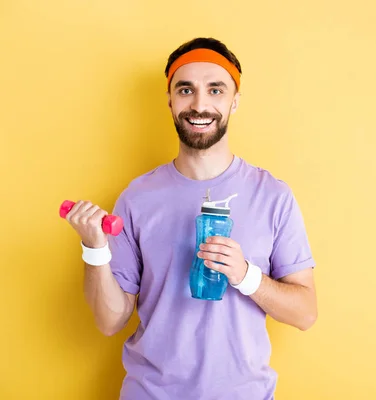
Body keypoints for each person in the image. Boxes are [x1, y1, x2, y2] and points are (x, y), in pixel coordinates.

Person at [64, 37, 317, 399]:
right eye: (186, 90)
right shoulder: (137, 198)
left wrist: (247, 276)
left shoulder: (273, 196)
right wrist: (95, 250)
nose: (200, 104)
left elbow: (305, 313)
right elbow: (110, 321)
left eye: (216, 90)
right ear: (170, 100)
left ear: (234, 101)